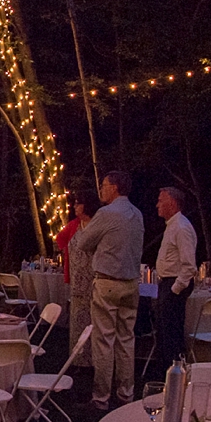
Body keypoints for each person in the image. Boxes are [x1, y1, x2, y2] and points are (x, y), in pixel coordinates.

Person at [70, 170, 144, 407]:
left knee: (103, 341)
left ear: (114, 187)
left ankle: (101, 396)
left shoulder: (106, 213)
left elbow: (82, 242)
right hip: (132, 283)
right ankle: (126, 393)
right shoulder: (138, 214)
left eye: (103, 185)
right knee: (126, 339)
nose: (101, 190)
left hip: (108, 282)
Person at [150, 185, 198, 377]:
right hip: (167, 283)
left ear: (172, 202)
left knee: (172, 332)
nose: (156, 205)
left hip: (174, 284)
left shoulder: (181, 227)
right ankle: (165, 373)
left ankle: (175, 374)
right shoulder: (173, 226)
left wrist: (175, 290)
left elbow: (189, 266)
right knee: (163, 331)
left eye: (161, 200)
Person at [65, 190, 101, 367]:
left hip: (91, 281)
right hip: (77, 281)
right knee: (77, 320)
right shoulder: (77, 226)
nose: (75, 206)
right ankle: (77, 360)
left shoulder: (96, 227)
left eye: (79, 203)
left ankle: (92, 361)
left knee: (92, 322)